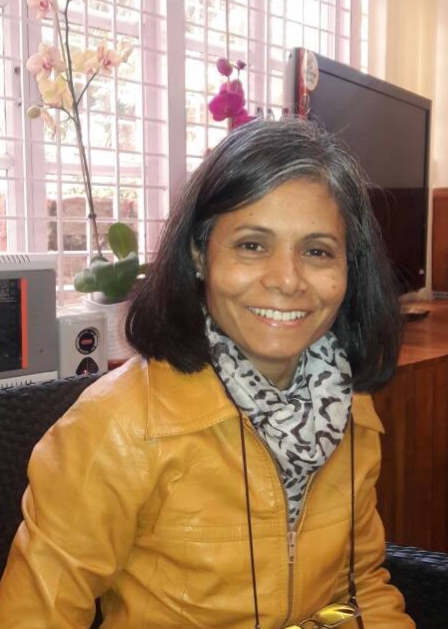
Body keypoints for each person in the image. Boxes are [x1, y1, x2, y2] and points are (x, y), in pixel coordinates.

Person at [0, 117, 414, 629]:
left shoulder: (349, 411)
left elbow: (357, 590)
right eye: (252, 245)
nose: (287, 280)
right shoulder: (116, 428)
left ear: (349, 268)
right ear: (199, 255)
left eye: (316, 251)